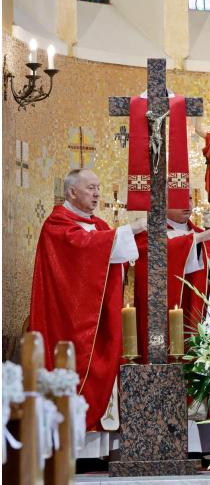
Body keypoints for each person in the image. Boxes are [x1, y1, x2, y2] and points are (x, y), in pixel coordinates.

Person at [28, 169, 146, 433]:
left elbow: (108, 253)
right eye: (91, 188)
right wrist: (131, 229)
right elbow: (84, 248)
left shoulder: (100, 226)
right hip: (69, 322)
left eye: (98, 188)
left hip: (101, 317)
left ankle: (100, 437)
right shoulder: (57, 225)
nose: (97, 194)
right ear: (72, 192)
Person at [132, 197, 210, 363]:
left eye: (189, 198)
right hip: (164, 317)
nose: (186, 203)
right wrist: (194, 241)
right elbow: (151, 265)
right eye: (179, 196)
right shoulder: (148, 233)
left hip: (199, 313)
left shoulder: (205, 235)